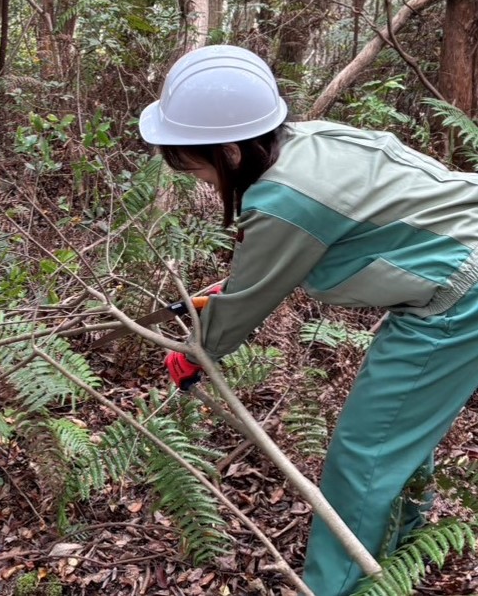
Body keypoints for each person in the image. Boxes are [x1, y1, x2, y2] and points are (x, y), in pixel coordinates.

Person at [141, 44, 478, 596]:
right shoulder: (311, 140)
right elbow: (341, 234)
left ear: (228, 151)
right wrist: (230, 292)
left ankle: (343, 586)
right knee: (398, 437)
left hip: (460, 300)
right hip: (459, 277)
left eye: (197, 166)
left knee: (364, 455)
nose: (201, 181)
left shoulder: (282, 202)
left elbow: (240, 312)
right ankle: (398, 553)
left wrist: (194, 351)